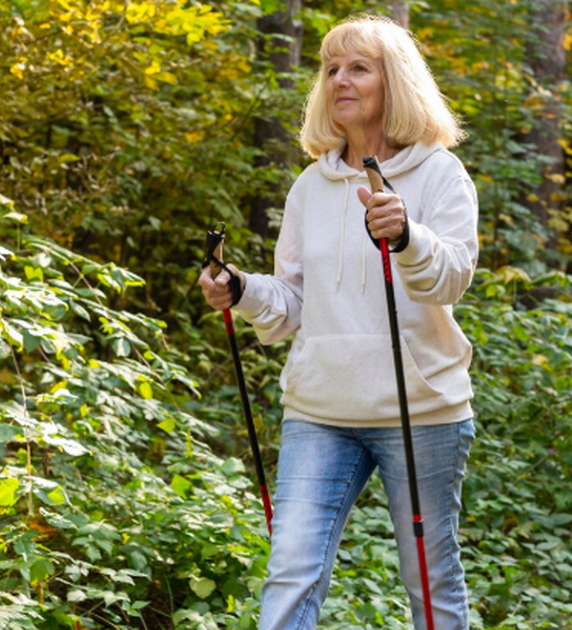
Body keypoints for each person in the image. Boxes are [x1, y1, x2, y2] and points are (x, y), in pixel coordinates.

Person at [198, 15, 479, 630]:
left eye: (358, 68)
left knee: (430, 577)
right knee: (291, 568)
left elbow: (453, 277)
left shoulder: (439, 173)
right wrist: (240, 288)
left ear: (394, 82)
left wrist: (406, 236)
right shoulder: (311, 186)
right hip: (320, 410)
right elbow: (295, 299)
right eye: (330, 69)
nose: (339, 81)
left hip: (422, 411)